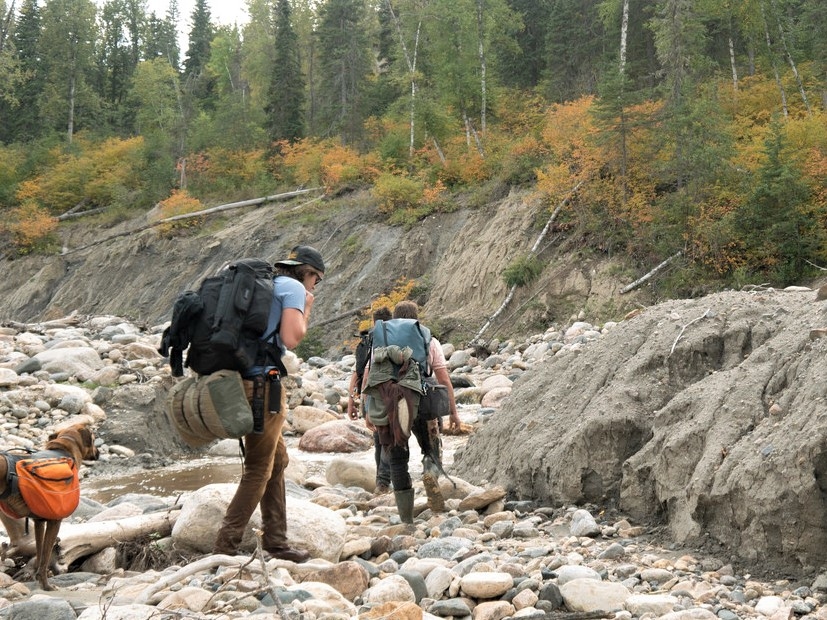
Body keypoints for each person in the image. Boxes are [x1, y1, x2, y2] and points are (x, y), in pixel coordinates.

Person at [213, 245, 326, 562]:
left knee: (277, 462)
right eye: (317, 279)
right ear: (307, 272)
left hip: (240, 383)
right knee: (258, 470)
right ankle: (225, 546)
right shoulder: (292, 288)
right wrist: (307, 306)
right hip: (264, 387)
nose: (315, 285)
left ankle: (276, 542)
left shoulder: (266, 287)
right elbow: (291, 339)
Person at [391, 301, 460, 513]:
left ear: (394, 319)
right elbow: (443, 378)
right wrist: (453, 412)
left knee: (397, 458)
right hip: (425, 400)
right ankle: (430, 472)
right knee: (432, 447)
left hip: (393, 402)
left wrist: (369, 411)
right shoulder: (428, 339)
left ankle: (405, 516)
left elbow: (369, 378)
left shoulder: (382, 340)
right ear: (417, 319)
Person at [347, 306, 393, 494]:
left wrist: (353, 402)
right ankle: (383, 483)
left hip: (371, 397)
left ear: (374, 322)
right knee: (388, 439)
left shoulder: (368, 341)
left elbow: (357, 375)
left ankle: (380, 482)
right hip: (390, 395)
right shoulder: (391, 338)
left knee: (379, 438)